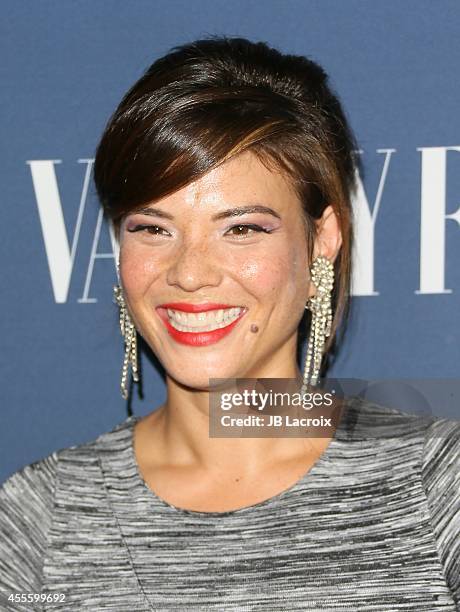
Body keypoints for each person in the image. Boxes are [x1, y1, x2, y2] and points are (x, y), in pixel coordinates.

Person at [1, 37, 459, 611]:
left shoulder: (439, 485)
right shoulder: (37, 515)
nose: (189, 274)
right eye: (152, 228)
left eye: (241, 228)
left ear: (324, 238)